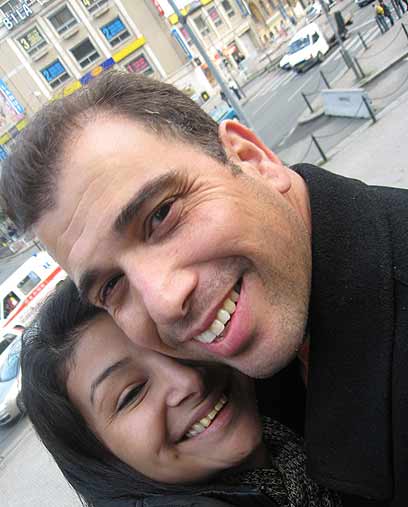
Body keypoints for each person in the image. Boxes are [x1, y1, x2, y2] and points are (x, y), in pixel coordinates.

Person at [1, 70, 408, 506]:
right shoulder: (258, 383)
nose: (164, 302)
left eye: (161, 215)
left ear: (252, 158)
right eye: (112, 285)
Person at [22, 279, 341, 507]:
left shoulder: (305, 393)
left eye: (175, 343)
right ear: (99, 459)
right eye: (132, 394)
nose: (189, 381)